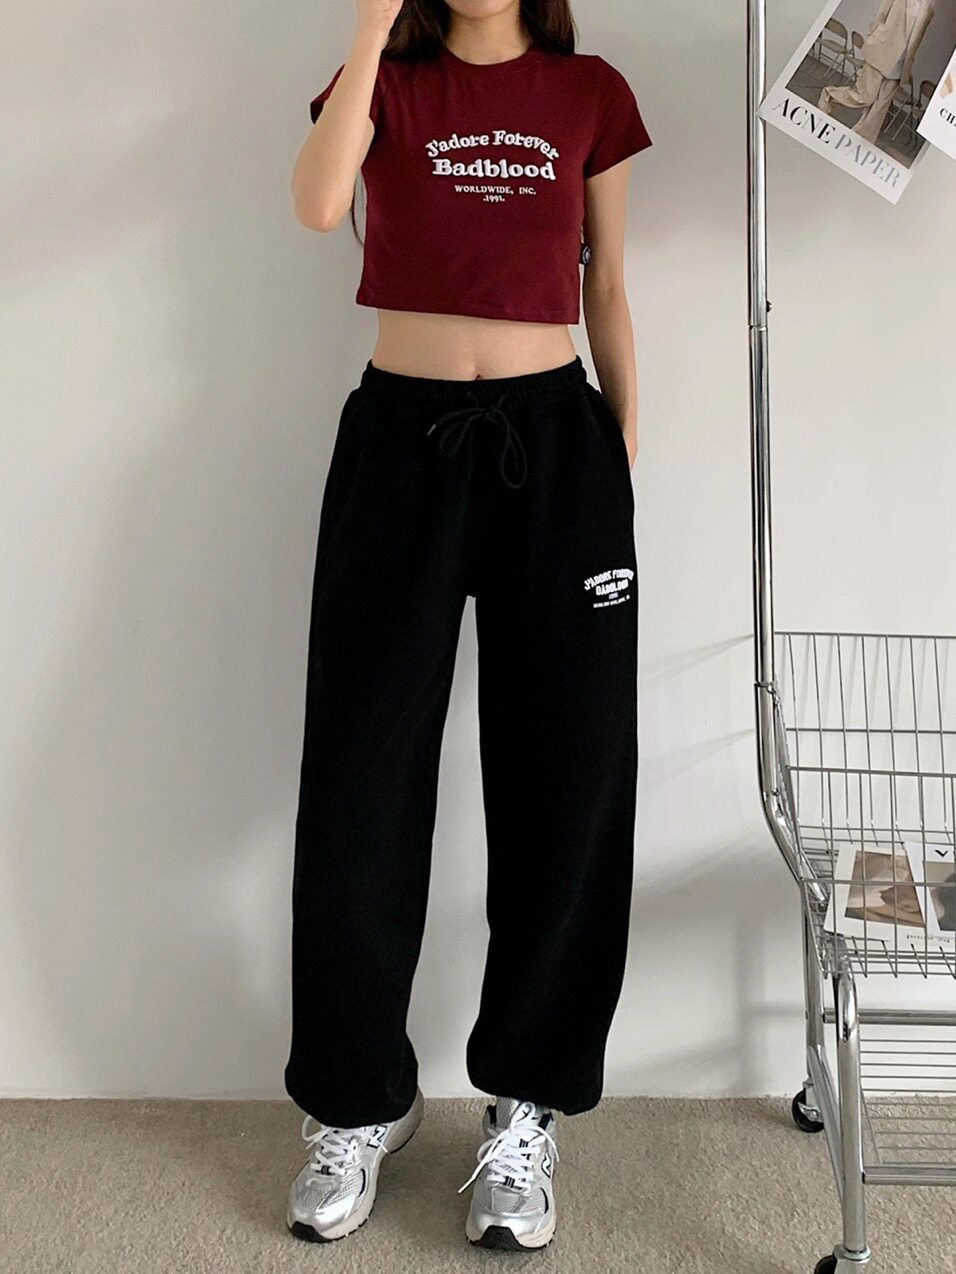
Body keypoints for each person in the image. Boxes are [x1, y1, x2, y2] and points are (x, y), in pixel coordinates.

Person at [284, 0, 651, 1252]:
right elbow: (316, 206)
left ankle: (525, 1100)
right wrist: (369, 30)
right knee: (360, 773)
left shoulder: (588, 92)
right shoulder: (385, 82)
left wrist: (618, 456)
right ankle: (355, 1098)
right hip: (399, 444)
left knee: (567, 775)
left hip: (555, 445)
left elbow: (609, 282)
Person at [818, 0, 935, 144]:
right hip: (881, 51)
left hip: (901, 63)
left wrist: (909, 62)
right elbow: (881, 14)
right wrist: (872, 38)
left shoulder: (929, 8)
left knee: (880, 107)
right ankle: (829, 95)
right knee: (864, 97)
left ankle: (861, 139)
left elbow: (917, 39)